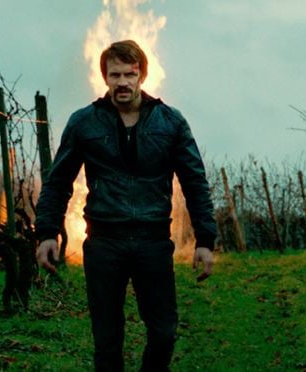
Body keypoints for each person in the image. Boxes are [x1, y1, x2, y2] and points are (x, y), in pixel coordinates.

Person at [35, 39, 217, 371]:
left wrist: (205, 239)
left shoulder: (170, 122)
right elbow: (58, 182)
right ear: (104, 76)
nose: (122, 82)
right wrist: (47, 232)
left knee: (163, 334)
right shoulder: (83, 122)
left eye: (129, 74)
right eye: (115, 74)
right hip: (105, 244)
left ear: (142, 76)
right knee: (107, 342)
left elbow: (195, 182)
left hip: (153, 243)